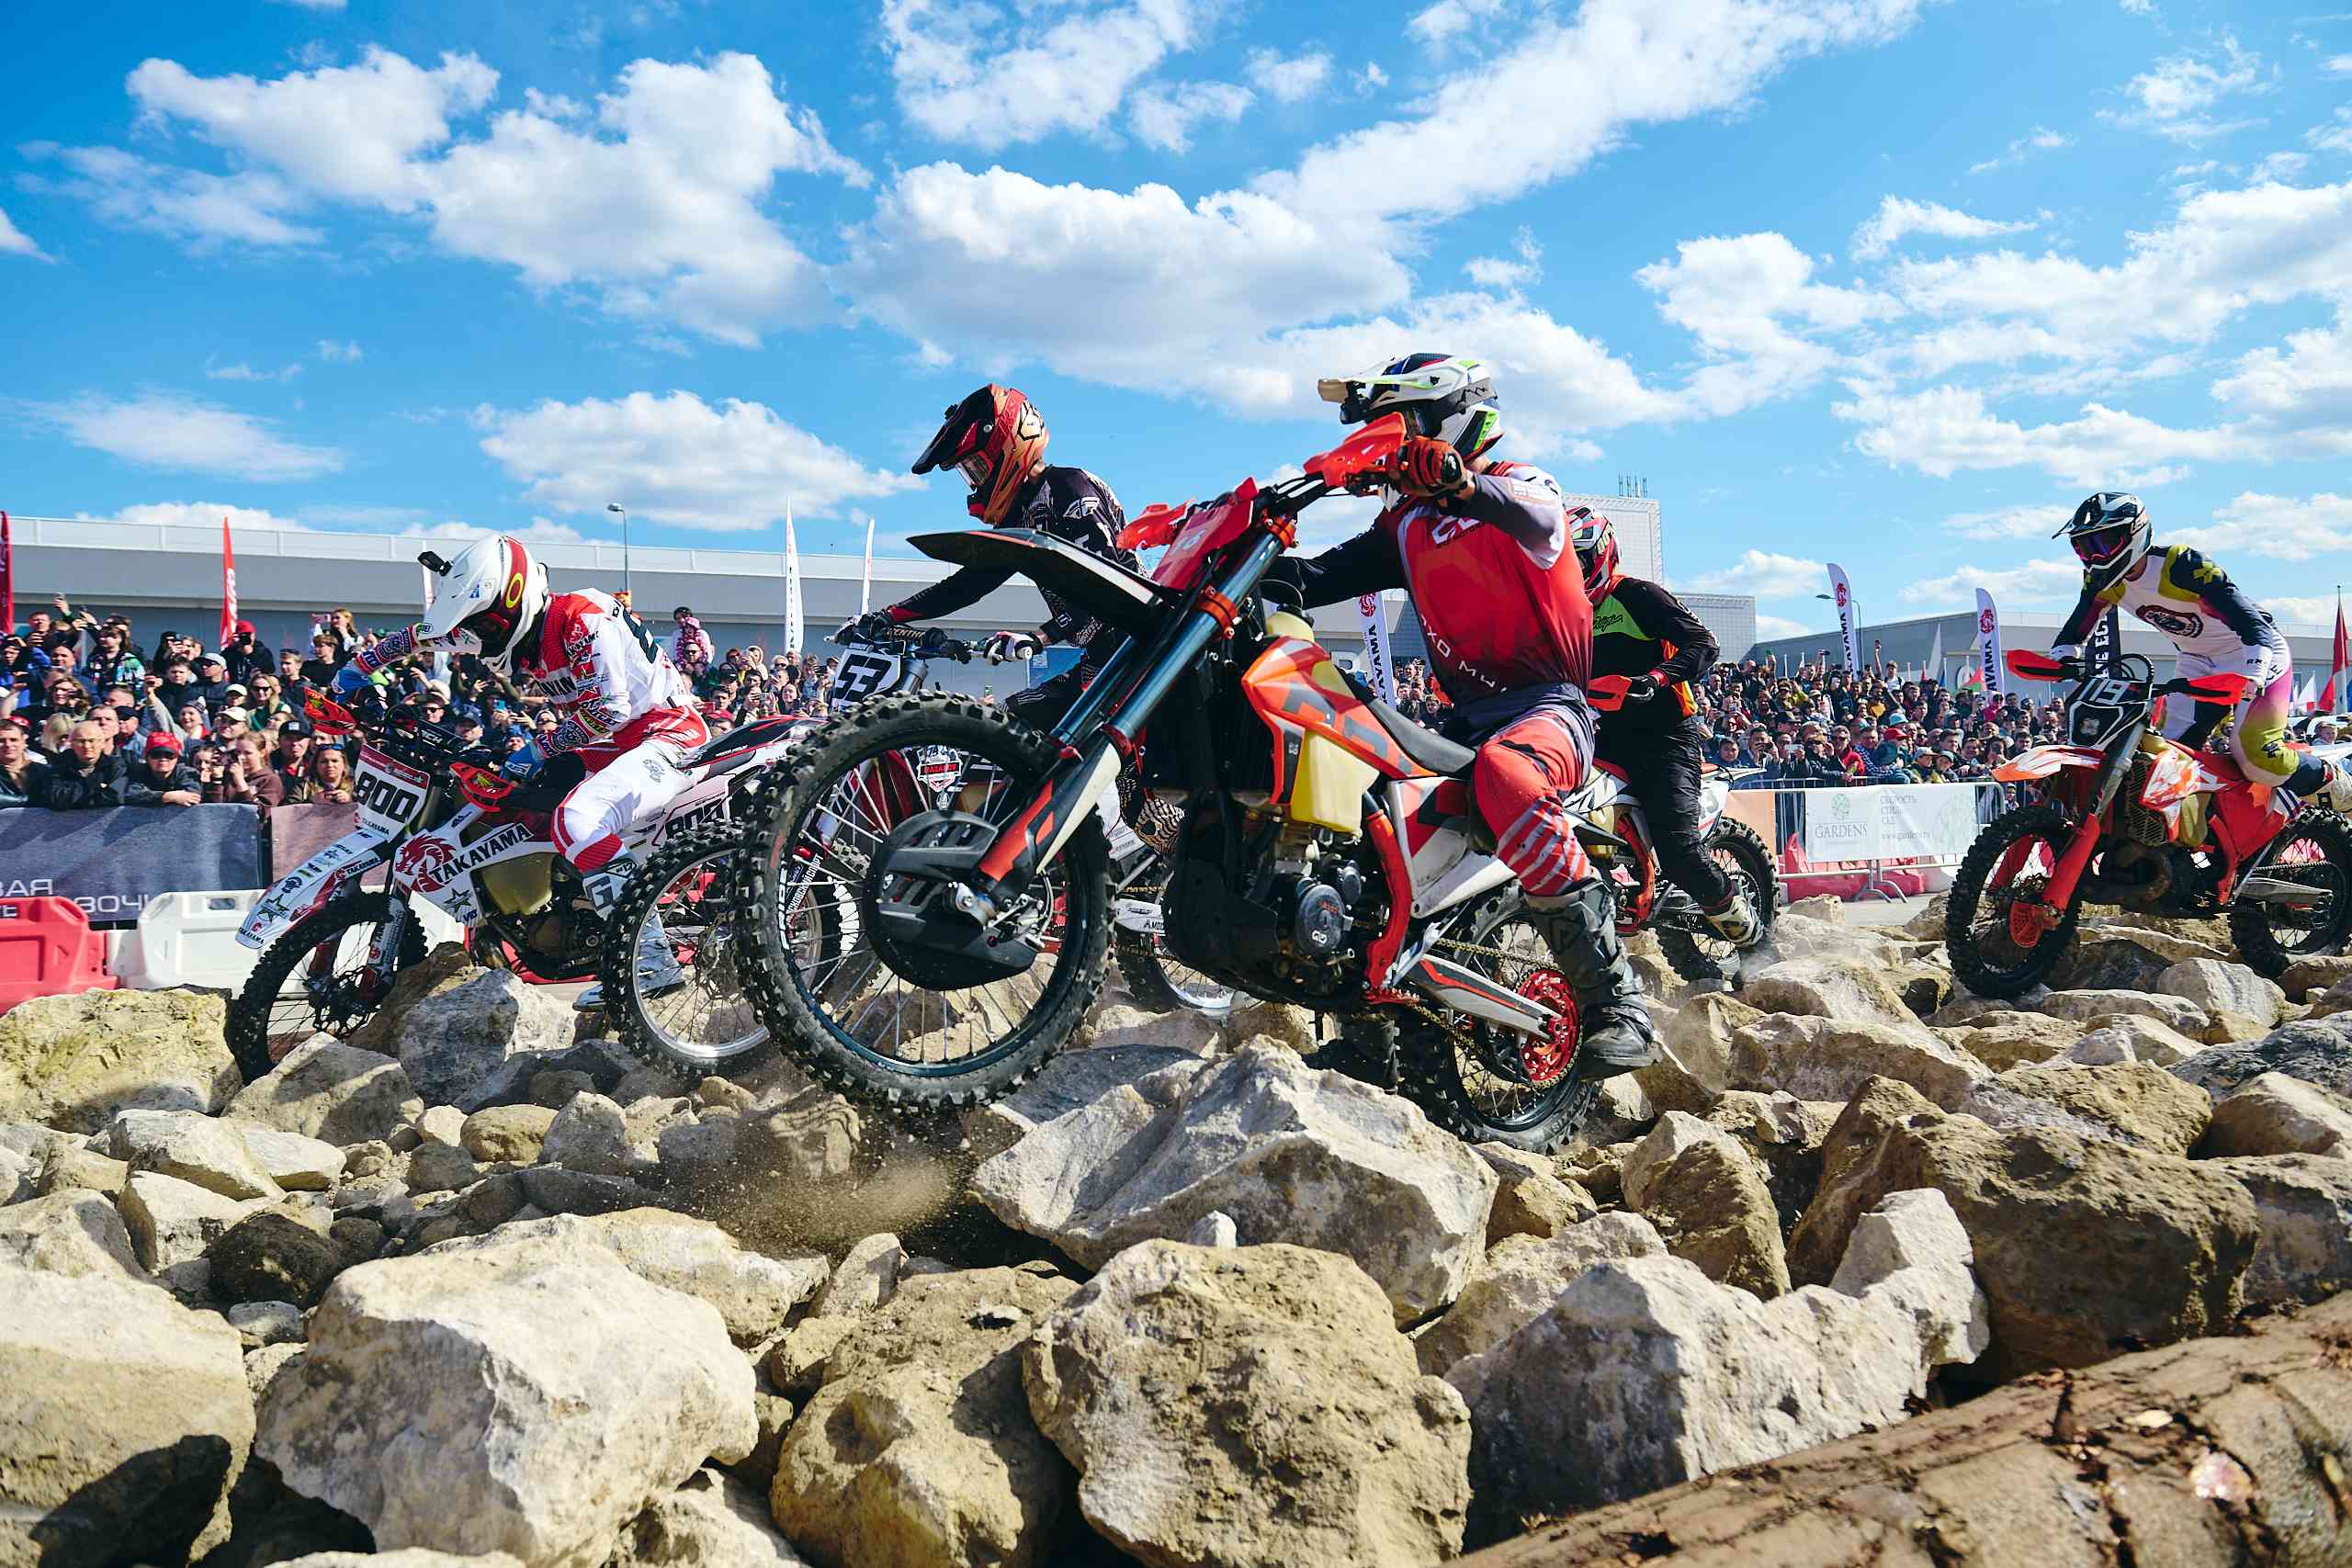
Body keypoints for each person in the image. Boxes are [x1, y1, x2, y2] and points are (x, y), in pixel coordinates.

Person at [1266, 352, 1653, 1073]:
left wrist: (1461, 482)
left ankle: (1617, 1001)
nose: (1390, 441)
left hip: (1547, 708)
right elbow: (1322, 575)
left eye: (1401, 423)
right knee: (1356, 783)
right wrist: (1252, 559)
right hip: (1462, 718)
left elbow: (1533, 512)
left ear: (1447, 418)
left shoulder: (1522, 484)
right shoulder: (1408, 523)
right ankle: (1370, 1013)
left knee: (1507, 772)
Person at [335, 534, 705, 1009]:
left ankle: (649, 960)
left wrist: (537, 749)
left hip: (665, 734)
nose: (480, 636)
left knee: (578, 819)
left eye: (486, 624)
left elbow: (609, 710)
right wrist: (357, 668)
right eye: (475, 625)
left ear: (514, 598)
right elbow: (421, 636)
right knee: (506, 803)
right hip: (606, 748)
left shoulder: (581, 616)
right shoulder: (508, 628)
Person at [846, 385, 1134, 731]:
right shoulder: (1020, 518)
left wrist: (1040, 638)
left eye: (977, 469)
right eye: (969, 474)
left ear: (1011, 448)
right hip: (1104, 661)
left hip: (1140, 656)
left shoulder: (1069, 488)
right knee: (1000, 726)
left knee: (1019, 733)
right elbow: (967, 585)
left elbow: (1106, 587)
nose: (974, 484)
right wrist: (887, 616)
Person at [2052, 492, 2352, 811]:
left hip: (2253, 651)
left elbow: (2252, 623)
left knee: (2255, 754)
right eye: (2084, 548)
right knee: (2165, 756)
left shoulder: (2181, 564)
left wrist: (2253, 671)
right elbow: (2077, 628)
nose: (2095, 557)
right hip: (2195, 660)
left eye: (2104, 543)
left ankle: (2339, 786)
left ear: (2135, 533)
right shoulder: (2101, 580)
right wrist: (2061, 660)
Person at [1570, 509, 1757, 945]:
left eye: (1577, 560)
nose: (1570, 571)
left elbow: (1704, 643)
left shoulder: (1638, 595)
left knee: (1679, 853)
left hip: (1664, 734)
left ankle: (1753, 939)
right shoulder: (1562, 610)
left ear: (1600, 554)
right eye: (1561, 562)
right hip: (1597, 737)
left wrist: (1655, 679)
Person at [34, 720, 125, 810]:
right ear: (71, 744)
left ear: (102, 743)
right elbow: (57, 799)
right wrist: (96, 785)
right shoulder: (59, 767)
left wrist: (75, 797)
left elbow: (116, 797)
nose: (87, 746)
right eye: (81, 741)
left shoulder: (114, 766)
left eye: (92, 741)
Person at [124, 732, 201, 807]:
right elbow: (130, 794)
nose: (163, 759)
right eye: (156, 755)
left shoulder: (187, 773)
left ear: (177, 758)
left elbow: (192, 797)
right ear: (146, 758)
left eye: (169, 755)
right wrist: (166, 797)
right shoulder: (138, 772)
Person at [0, 718, 48, 807]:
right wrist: (31, 801)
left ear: (23, 742)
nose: (8, 745)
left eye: (13, 740)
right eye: (1, 741)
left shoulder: (44, 771)